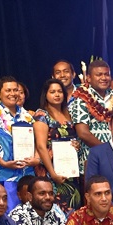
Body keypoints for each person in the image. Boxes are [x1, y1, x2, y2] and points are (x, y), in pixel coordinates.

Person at [0, 77, 38, 210]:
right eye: (8, 90)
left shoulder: (27, 116)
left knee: (29, 213)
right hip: (2, 174)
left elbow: (37, 142)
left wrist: (36, 159)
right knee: (6, 214)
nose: (13, 93)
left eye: (15, 90)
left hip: (27, 175)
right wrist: (3, 162)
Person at [31, 78, 82, 211]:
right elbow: (41, 146)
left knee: (73, 209)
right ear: (46, 95)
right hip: (50, 172)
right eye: (52, 92)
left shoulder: (68, 114)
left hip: (70, 172)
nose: (57, 94)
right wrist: (52, 173)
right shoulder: (42, 115)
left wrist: (76, 145)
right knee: (54, 209)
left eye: (60, 91)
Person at [68, 59, 113, 167]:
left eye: (106, 74)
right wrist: (109, 151)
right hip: (92, 160)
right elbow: (83, 133)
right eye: (99, 75)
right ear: (89, 78)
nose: (104, 78)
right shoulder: (82, 98)